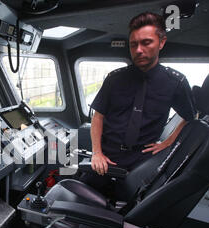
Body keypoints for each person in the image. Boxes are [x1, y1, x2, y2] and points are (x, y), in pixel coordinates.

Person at [83, 12, 196, 193]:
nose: (138, 50)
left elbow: (190, 117)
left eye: (146, 42)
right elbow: (98, 116)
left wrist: (167, 142)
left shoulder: (176, 82)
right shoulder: (115, 78)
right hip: (107, 154)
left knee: (131, 207)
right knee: (80, 194)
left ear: (161, 42)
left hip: (143, 159)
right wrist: (97, 152)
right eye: (133, 44)